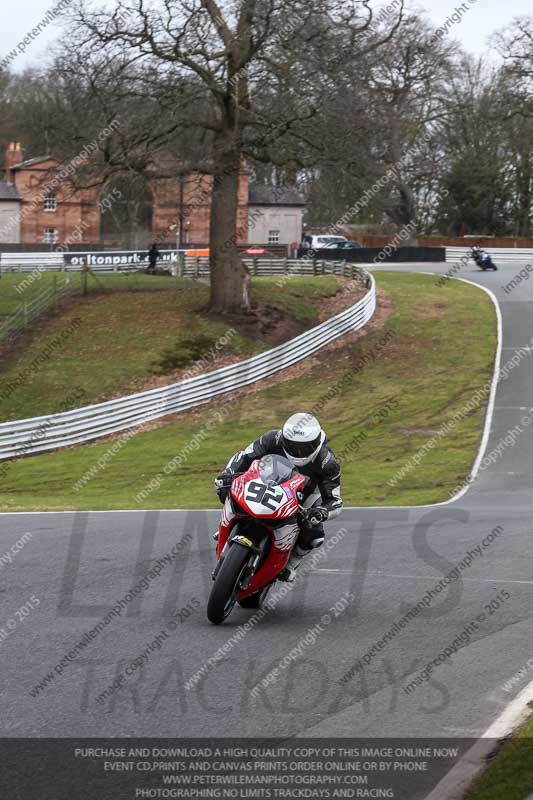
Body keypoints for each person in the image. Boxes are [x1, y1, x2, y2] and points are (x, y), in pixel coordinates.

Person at [214, 413, 343, 582]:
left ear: (316, 443)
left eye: (304, 448)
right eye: (292, 446)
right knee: (225, 488)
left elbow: (335, 500)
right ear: (284, 439)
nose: (298, 452)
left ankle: (292, 564)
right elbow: (244, 456)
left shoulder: (328, 462)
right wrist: (227, 474)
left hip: (307, 493)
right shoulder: (272, 438)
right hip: (267, 478)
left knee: (314, 533)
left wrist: (321, 512)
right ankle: (229, 525)